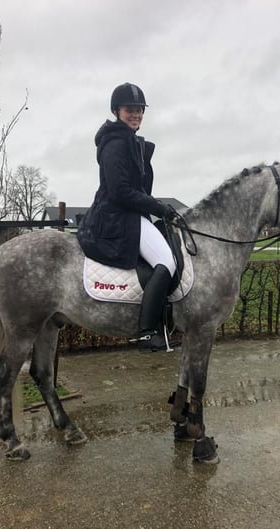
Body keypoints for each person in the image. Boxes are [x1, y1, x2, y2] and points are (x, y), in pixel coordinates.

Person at [77, 82, 178, 352]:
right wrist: (158, 207)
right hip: (116, 216)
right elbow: (120, 191)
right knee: (166, 262)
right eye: (130, 109)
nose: (136, 114)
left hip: (131, 213)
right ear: (116, 111)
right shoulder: (115, 144)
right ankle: (146, 333)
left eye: (140, 110)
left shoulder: (129, 141)